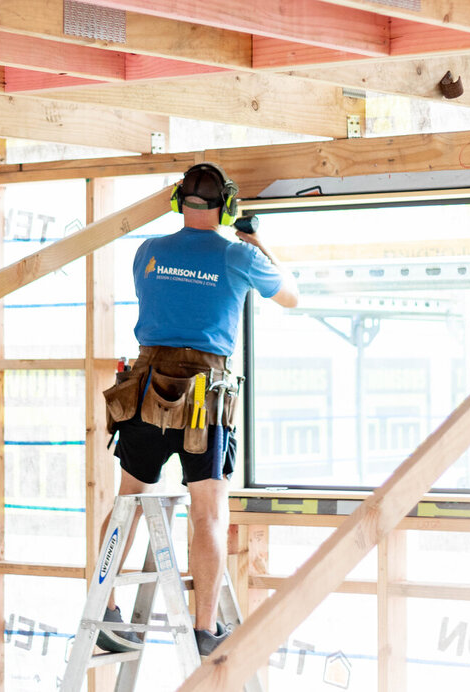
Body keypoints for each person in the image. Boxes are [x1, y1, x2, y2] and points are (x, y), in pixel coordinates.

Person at [96, 162, 298, 657]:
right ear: (226, 206)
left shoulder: (147, 251)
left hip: (145, 387)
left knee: (127, 500)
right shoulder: (236, 256)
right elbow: (291, 296)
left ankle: (105, 608)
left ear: (177, 202)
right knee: (207, 511)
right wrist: (253, 242)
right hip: (203, 401)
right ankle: (203, 628)